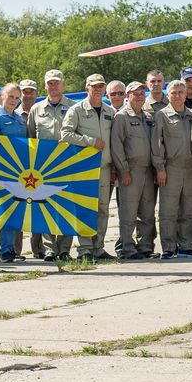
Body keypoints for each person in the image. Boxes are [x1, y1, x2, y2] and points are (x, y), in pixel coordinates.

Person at [62, 73, 117, 260]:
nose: (98, 89)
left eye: (101, 86)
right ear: (87, 88)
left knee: (103, 210)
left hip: (105, 168)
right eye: (94, 86)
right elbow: (66, 134)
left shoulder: (111, 112)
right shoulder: (76, 110)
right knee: (85, 208)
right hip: (84, 169)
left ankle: (98, 247)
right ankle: (85, 248)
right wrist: (90, 141)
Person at [151, 79, 192, 258]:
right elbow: (157, 144)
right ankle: (168, 247)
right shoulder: (162, 116)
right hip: (171, 167)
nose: (178, 95)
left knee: (189, 210)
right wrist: (160, 168)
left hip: (191, 167)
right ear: (168, 95)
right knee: (168, 211)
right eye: (173, 93)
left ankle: (186, 246)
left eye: (181, 92)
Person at [28, 70, 74, 260]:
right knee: (45, 206)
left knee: (67, 206)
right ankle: (49, 249)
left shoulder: (73, 107)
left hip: (68, 164)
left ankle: (64, 249)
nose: (53, 86)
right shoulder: (36, 109)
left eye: (56, 82)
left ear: (63, 84)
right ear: (45, 86)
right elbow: (30, 136)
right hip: (43, 166)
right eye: (50, 83)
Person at [111, 80, 157, 259]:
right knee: (128, 213)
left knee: (147, 212)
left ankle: (145, 246)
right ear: (128, 96)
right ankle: (127, 248)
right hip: (131, 170)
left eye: (141, 94)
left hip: (147, 170)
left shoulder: (148, 118)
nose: (138, 97)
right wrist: (124, 170)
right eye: (134, 94)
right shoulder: (122, 117)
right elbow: (117, 146)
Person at [0, 82, 29, 261]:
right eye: (10, 96)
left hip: (20, 172)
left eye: (17, 98)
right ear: (2, 96)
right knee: (6, 211)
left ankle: (13, 250)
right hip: (4, 171)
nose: (14, 101)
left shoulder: (20, 119)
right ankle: (5, 251)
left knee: (17, 210)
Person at [7, 78, 40, 260]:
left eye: (31, 91)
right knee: (17, 208)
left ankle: (38, 248)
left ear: (36, 93)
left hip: (37, 168)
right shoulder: (13, 115)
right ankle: (15, 249)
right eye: (24, 92)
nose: (28, 95)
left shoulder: (40, 111)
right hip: (16, 169)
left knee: (37, 208)